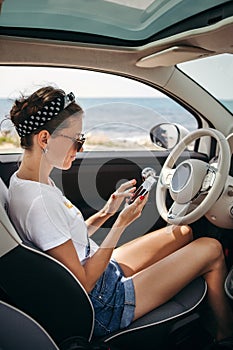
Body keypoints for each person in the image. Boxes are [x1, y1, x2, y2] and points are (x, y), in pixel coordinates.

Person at [8, 86, 233, 347]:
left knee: (182, 231)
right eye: (75, 140)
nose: (79, 148)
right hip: (103, 304)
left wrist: (107, 212)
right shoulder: (39, 201)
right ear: (45, 139)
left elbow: (65, 238)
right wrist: (121, 224)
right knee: (213, 248)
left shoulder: (27, 181)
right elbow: (84, 283)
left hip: (99, 271)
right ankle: (225, 335)